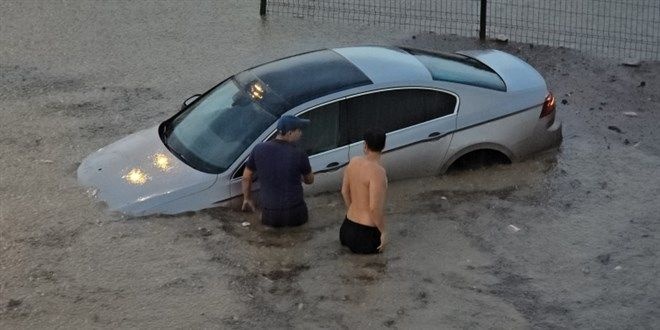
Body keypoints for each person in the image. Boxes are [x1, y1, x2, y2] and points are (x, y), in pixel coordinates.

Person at [241, 115, 314, 227]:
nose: (301, 133)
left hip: (270, 215)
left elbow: (246, 177)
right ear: (290, 133)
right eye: (299, 130)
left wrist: (247, 198)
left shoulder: (258, 149)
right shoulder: (299, 154)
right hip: (296, 213)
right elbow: (309, 181)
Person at [340, 129, 388, 254]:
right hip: (365, 236)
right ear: (383, 147)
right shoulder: (378, 172)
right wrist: (383, 232)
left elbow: (344, 191)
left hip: (346, 228)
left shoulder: (353, 161)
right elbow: (374, 208)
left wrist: (353, 210)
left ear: (365, 145)